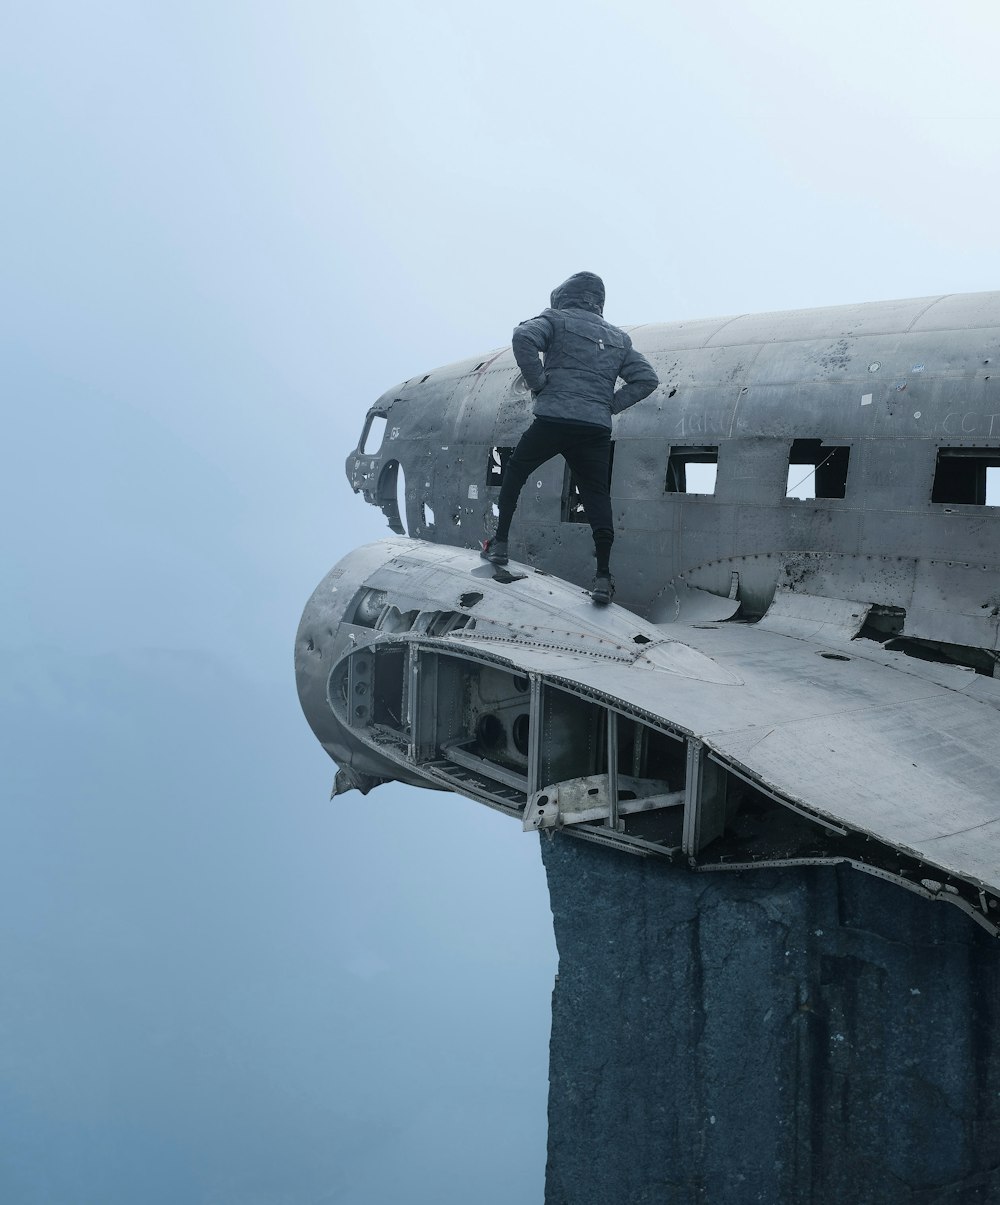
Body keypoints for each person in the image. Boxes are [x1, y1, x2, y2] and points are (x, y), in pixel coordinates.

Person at [482, 271, 659, 603]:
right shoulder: (620, 339)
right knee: (596, 497)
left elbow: (523, 337)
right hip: (594, 429)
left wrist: (538, 384)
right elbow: (647, 379)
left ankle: (500, 543)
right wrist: (609, 405)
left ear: (564, 296)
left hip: (554, 419)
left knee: (517, 470)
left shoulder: (556, 320)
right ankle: (603, 578)